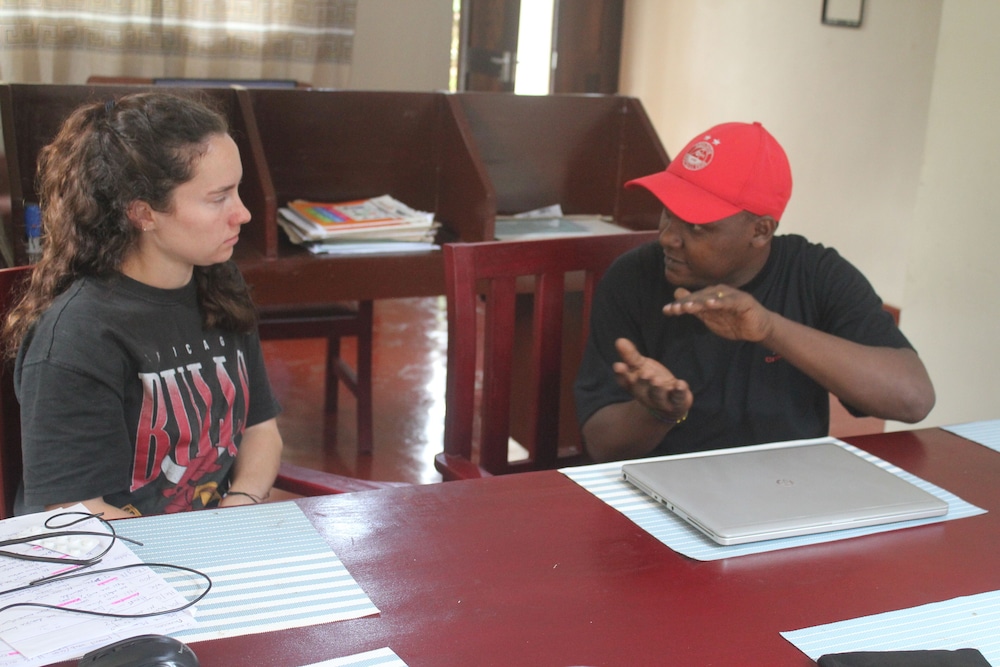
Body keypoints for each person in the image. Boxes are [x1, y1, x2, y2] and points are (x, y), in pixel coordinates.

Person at [574, 121, 935, 463]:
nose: (668, 237)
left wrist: (770, 329)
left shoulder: (814, 274)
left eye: (696, 226)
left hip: (788, 484)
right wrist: (658, 412)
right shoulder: (632, 278)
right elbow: (602, 446)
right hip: (662, 488)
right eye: (667, 213)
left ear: (761, 231)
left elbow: (913, 399)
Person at [2, 92, 283, 518]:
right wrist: (206, 542)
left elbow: (261, 430)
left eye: (238, 191)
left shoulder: (218, 281)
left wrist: (239, 505)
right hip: (110, 550)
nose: (243, 213)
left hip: (212, 536)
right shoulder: (76, 338)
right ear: (143, 213)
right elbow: (77, 511)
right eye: (218, 198)